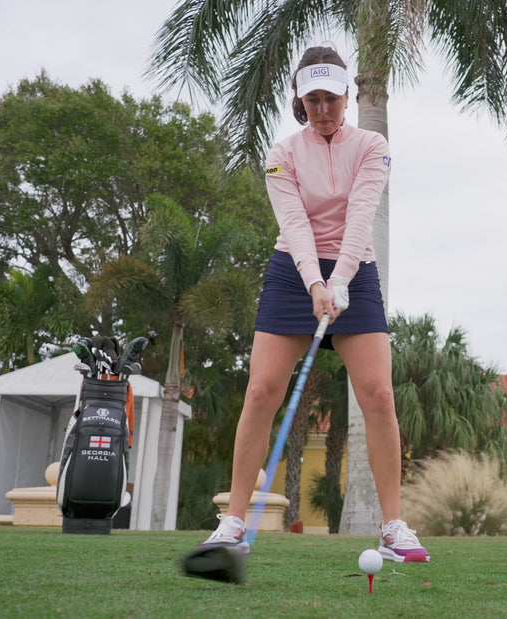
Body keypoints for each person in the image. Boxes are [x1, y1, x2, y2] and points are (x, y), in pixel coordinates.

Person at [197, 45, 429, 563]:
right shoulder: (281, 153)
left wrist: (342, 279)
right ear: (300, 101)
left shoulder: (372, 146)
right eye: (312, 100)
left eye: (331, 97)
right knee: (260, 392)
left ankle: (393, 526)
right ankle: (233, 522)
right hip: (291, 274)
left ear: (347, 94)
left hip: (357, 271)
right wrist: (315, 284)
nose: (323, 108)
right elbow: (295, 226)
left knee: (378, 396)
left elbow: (360, 216)